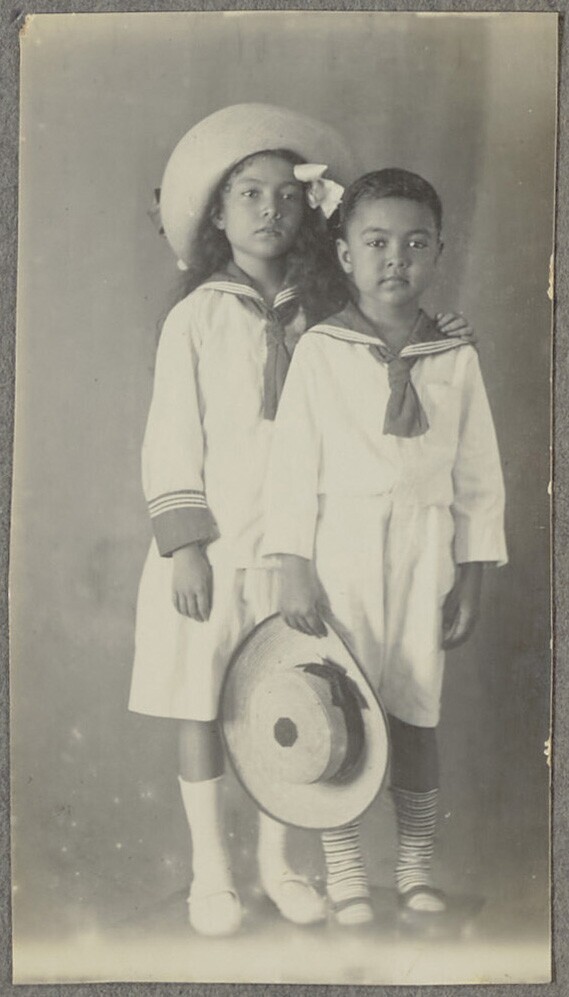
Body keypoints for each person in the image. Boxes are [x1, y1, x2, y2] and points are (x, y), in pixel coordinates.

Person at [129, 103, 475, 938]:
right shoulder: (195, 318)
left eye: (288, 194)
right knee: (203, 700)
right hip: (215, 548)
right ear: (217, 213)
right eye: (250, 193)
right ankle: (210, 873)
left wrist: (438, 335)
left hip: (301, 552)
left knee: (287, 697)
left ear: (310, 212)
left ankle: (278, 865)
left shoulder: (326, 313)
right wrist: (185, 546)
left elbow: (385, 350)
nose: (270, 209)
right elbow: (170, 436)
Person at [262, 168, 507, 926]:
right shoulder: (321, 350)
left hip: (423, 553)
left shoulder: (454, 356)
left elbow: (478, 478)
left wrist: (470, 578)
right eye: (375, 242)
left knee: (414, 710)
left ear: (437, 253)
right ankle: (344, 871)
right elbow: (292, 469)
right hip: (341, 553)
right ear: (344, 255)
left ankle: (413, 866)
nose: (395, 258)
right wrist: (294, 567)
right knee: (339, 707)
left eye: (415, 243)